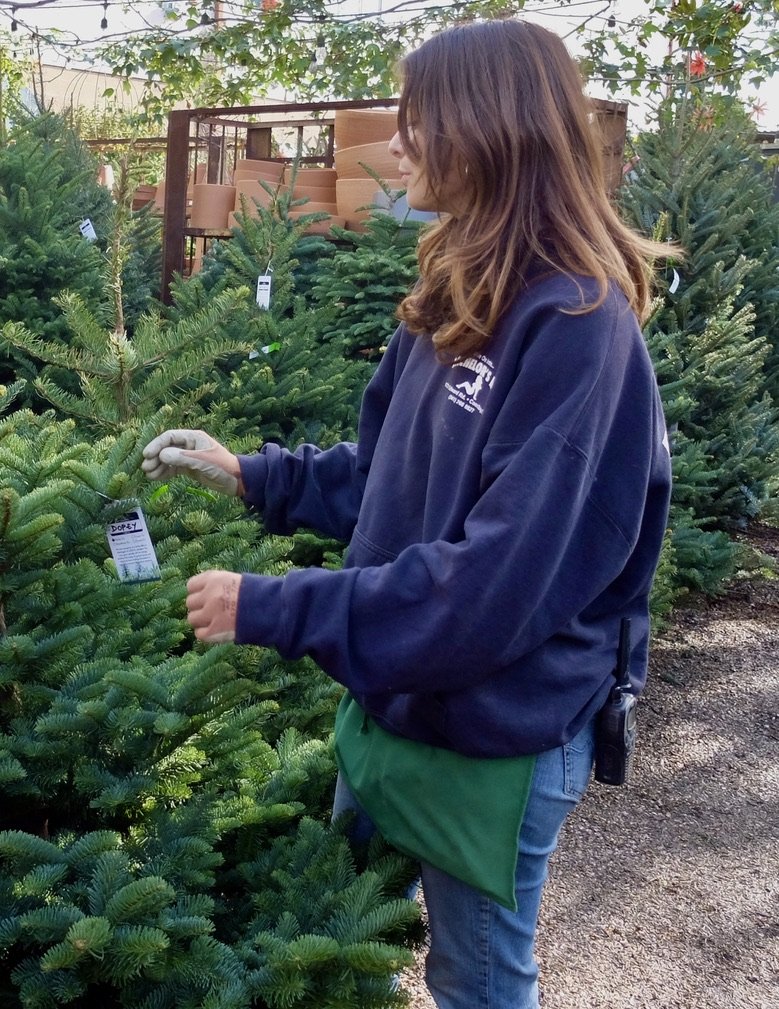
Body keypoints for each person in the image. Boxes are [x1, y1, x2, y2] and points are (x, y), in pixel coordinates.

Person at [142, 18, 673, 1009]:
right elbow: (389, 473)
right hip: (402, 699)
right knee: (347, 932)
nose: (394, 144)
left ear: (487, 130)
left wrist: (279, 607)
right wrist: (254, 476)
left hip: (491, 730)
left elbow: (488, 586)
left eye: (415, 121)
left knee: (473, 978)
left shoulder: (572, 326)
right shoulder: (453, 283)